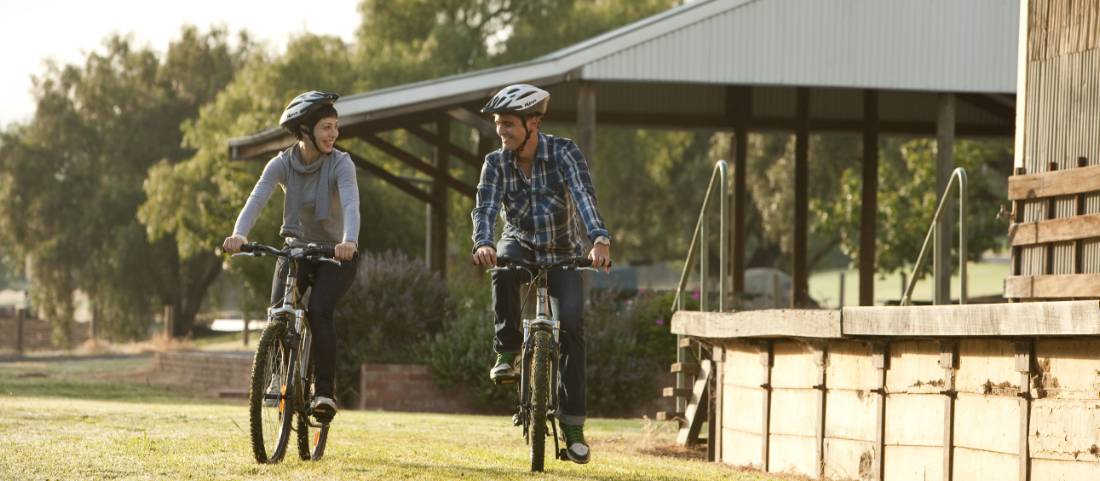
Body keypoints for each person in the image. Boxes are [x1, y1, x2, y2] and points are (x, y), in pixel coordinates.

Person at [470, 84, 612, 464]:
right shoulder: (496, 163)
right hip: (519, 242)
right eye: (499, 125)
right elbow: (484, 208)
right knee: (501, 268)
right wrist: (483, 242)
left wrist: (598, 241)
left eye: (509, 125)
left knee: (574, 327)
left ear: (533, 123)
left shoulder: (564, 152)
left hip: (563, 250)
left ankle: (573, 427)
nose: (502, 132)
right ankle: (508, 350)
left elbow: (583, 196)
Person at [223, 90, 360, 423]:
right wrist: (239, 235)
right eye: (326, 127)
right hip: (296, 248)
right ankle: (274, 376)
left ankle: (324, 393)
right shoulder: (281, 164)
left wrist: (349, 240)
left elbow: (352, 204)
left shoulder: (341, 163)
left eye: (335, 127)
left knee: (319, 310)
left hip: (336, 253)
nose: (333, 134)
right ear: (304, 131)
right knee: (278, 311)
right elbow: (257, 200)